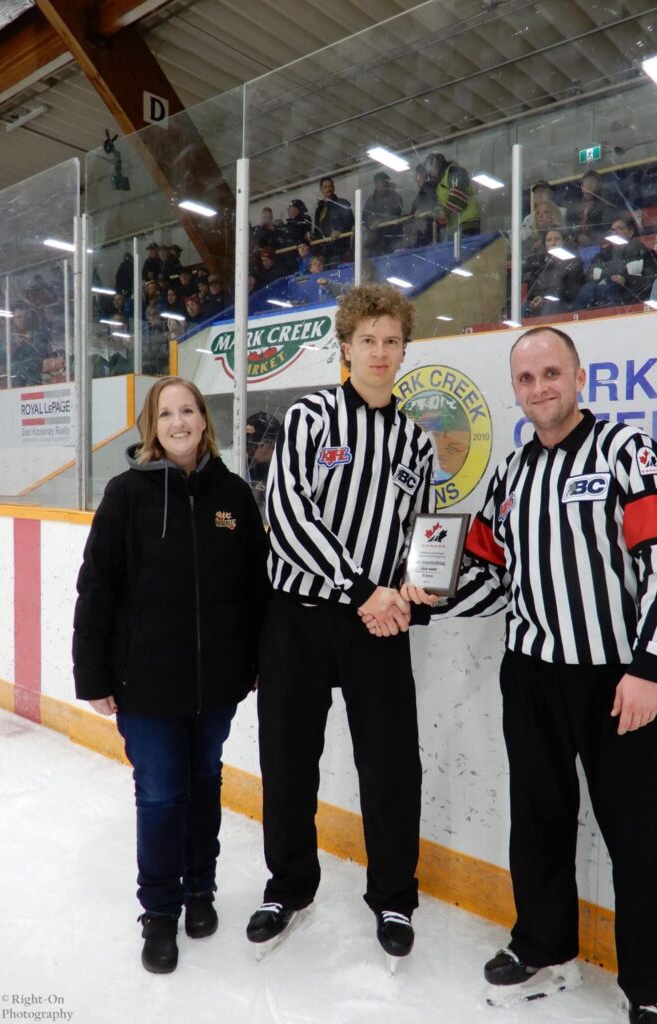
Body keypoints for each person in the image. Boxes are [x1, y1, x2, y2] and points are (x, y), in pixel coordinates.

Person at [400, 327, 657, 1024]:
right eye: (527, 379)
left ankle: (649, 987)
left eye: (551, 373)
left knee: (642, 838)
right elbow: (491, 575)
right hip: (531, 674)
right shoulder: (509, 474)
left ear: (577, 377)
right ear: (517, 390)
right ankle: (542, 941)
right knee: (537, 821)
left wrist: (648, 664)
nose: (540, 388)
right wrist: (429, 597)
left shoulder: (628, 452)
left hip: (617, 681)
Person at [248, 283, 434, 965]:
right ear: (346, 347)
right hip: (297, 619)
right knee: (288, 761)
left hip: (378, 627)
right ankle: (288, 884)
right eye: (368, 341)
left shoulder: (416, 441)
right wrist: (363, 589)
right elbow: (291, 517)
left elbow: (420, 536)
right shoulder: (312, 417)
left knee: (392, 767)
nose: (380, 353)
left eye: (391, 342)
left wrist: (415, 591)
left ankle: (393, 895)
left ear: (403, 350)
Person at [72, 376, 270, 975]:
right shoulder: (125, 494)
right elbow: (96, 589)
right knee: (161, 795)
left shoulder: (234, 495)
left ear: (205, 420)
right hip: (146, 685)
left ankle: (199, 891)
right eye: (166, 414)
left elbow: (254, 590)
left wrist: (255, 662)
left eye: (188, 411)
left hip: (215, 685)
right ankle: (159, 911)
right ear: (151, 429)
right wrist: (93, 674)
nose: (179, 422)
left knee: (205, 782)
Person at [576, 216, 657, 308]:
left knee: (607, 286)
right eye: (612, 230)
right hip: (602, 296)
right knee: (588, 289)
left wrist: (626, 280)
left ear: (630, 232)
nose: (615, 232)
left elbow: (654, 281)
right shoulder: (602, 255)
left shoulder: (643, 252)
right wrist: (607, 279)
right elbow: (590, 276)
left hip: (632, 299)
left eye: (619, 228)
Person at [522, 228, 585, 316]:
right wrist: (537, 297)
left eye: (557, 239)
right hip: (543, 301)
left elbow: (572, 290)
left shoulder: (573, 261)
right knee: (522, 308)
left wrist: (545, 298)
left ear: (563, 242)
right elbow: (533, 285)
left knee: (550, 304)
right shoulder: (539, 263)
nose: (553, 243)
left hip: (564, 303)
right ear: (545, 244)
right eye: (549, 240)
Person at [424, 151, 481, 238]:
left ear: (436, 163)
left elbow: (459, 196)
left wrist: (445, 212)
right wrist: (439, 214)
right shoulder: (440, 184)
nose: (430, 173)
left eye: (430, 169)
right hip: (455, 226)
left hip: (467, 222)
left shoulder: (454, 171)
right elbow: (442, 204)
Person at [313, 176, 355, 266]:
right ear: (321, 190)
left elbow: (350, 221)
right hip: (324, 253)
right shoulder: (319, 209)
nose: (329, 189)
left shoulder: (342, 203)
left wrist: (340, 231)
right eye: (325, 187)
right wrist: (318, 252)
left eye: (330, 186)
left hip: (340, 250)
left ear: (334, 188)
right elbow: (317, 231)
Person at [246, 410, 281, 514]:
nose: (247, 451)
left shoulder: (287, 469)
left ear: (271, 443)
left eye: (252, 448)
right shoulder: (246, 466)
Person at [362, 171, 404, 255]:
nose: (385, 184)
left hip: (393, 237)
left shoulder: (395, 196)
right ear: (376, 184)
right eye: (382, 182)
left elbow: (396, 212)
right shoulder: (370, 201)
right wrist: (371, 223)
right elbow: (364, 219)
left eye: (386, 182)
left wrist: (381, 221)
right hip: (376, 241)